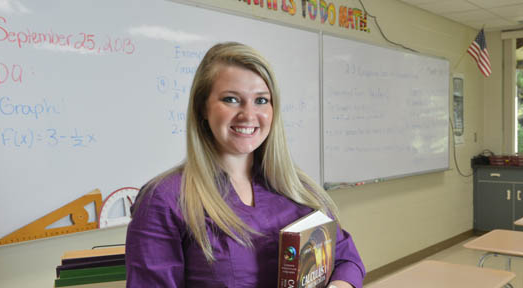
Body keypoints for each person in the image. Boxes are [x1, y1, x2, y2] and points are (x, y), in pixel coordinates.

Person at [125, 42, 365, 287]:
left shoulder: (298, 188)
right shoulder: (164, 200)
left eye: (261, 100)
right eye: (231, 99)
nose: (249, 115)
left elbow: (347, 260)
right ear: (202, 109)